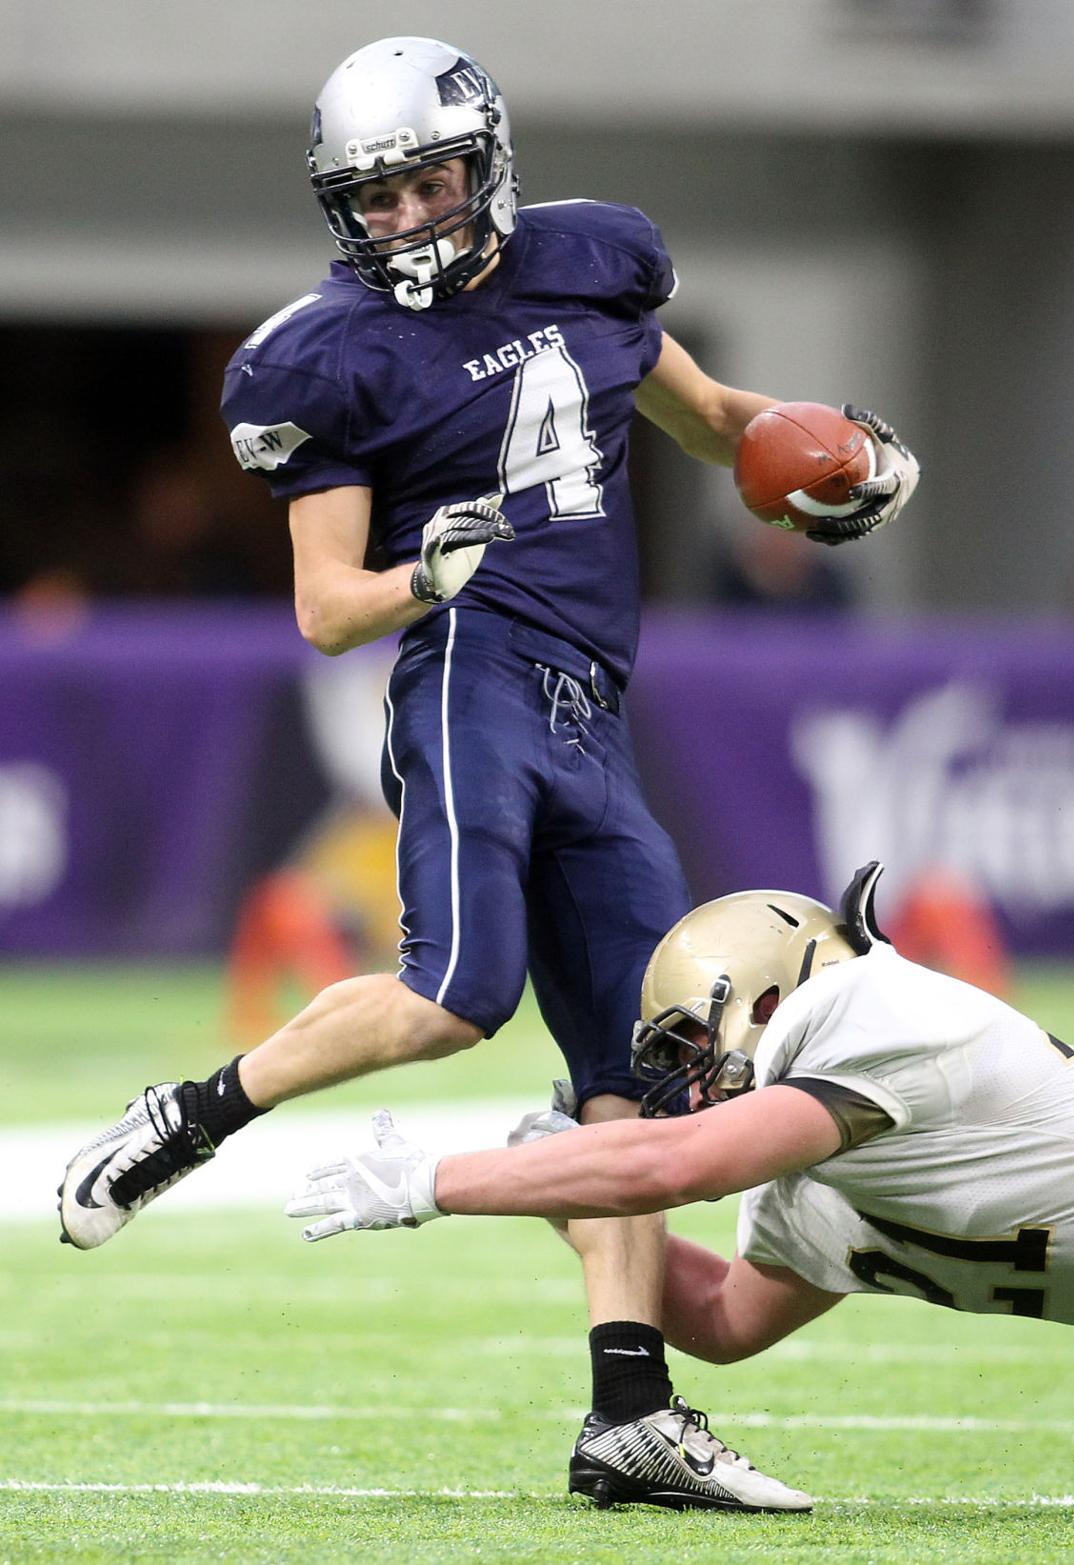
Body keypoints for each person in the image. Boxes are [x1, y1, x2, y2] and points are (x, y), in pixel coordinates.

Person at [57, 37, 918, 1512]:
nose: (402, 216)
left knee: (644, 1073)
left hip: (594, 704)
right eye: (373, 197)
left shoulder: (591, 262)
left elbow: (717, 421)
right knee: (459, 992)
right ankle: (185, 1119)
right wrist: (425, 575)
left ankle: (630, 1414)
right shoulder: (323, 355)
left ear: (487, 164)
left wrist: (838, 467)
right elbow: (327, 607)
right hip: (473, 673)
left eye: (426, 183)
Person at [285, 860, 1074, 1505]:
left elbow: (679, 1163)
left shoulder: (874, 1007)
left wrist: (433, 1181)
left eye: (694, 1043)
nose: (690, 1084)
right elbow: (722, 1317)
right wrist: (565, 1193)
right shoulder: (819, 1153)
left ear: (767, 997)